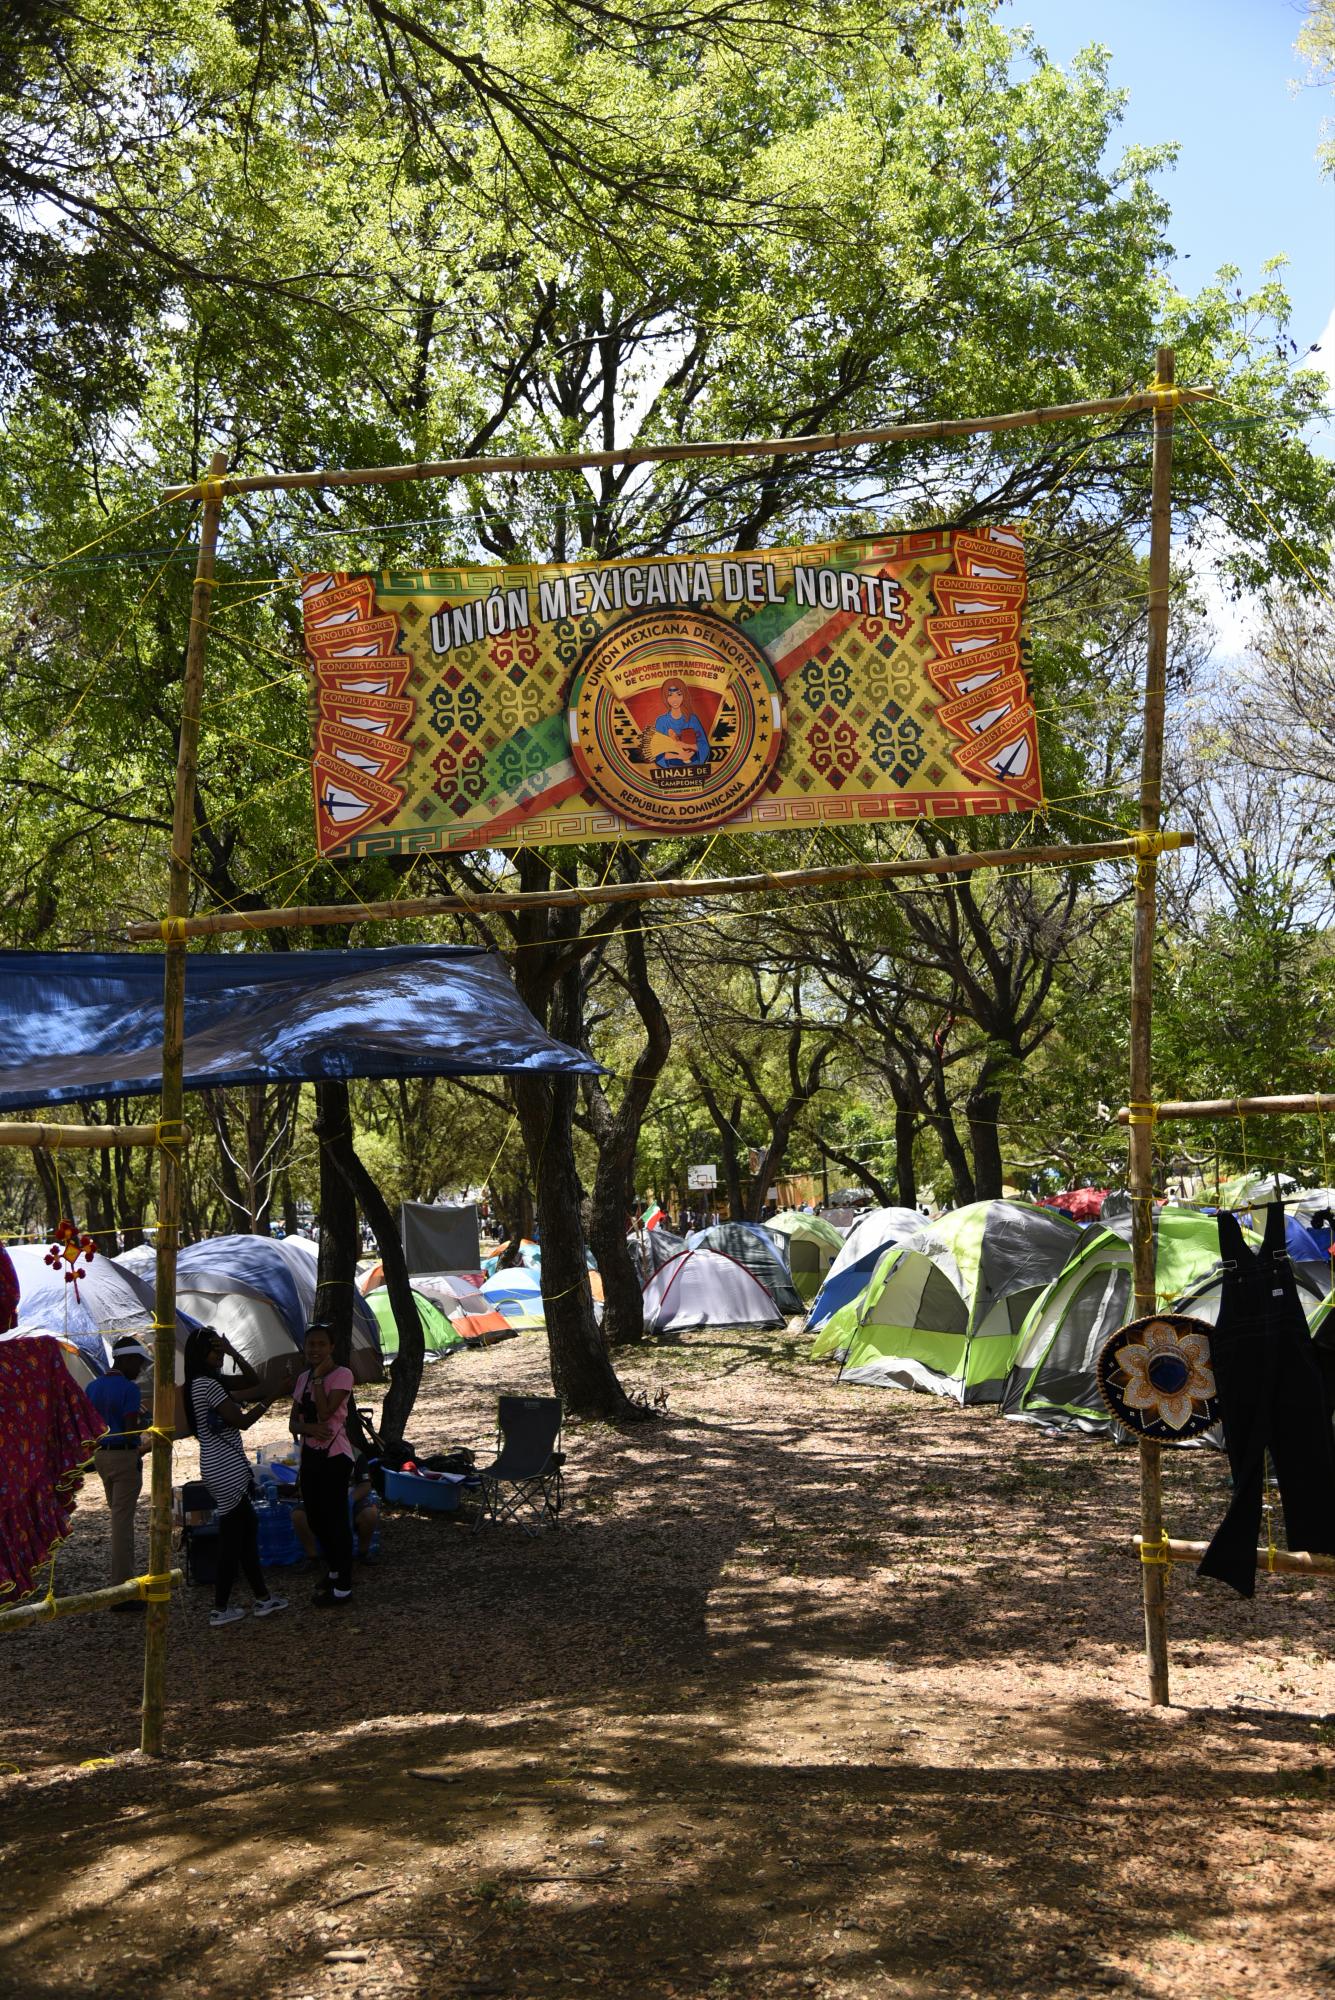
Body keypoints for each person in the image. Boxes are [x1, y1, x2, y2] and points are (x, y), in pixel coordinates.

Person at [183, 1325, 288, 1628]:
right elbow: (241, 1421)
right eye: (215, 1350)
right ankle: (220, 1608)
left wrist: (232, 1352)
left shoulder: (199, 1383)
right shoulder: (209, 1386)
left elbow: (252, 1380)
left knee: (244, 1532)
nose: (219, 1355)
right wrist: (273, 1397)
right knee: (233, 1540)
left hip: (218, 1465)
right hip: (225, 1466)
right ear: (202, 1354)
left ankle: (262, 1598)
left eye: (220, 1349)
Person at [290, 1322, 356, 1607]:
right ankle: (332, 1570)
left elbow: (326, 1411)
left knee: (336, 1519)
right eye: (310, 1344)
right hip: (311, 1457)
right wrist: (309, 1430)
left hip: (335, 1456)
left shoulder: (343, 1375)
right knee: (315, 1518)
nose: (314, 1349)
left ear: (331, 1348)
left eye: (320, 1344)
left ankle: (344, 1586)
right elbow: (293, 1422)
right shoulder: (302, 1378)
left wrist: (318, 1380)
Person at [84, 1334, 151, 1610]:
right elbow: (130, 1430)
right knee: (122, 1527)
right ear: (127, 1360)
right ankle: (122, 1592)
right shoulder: (129, 1390)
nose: (140, 1370)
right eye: (139, 1363)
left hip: (101, 1457)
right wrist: (145, 1443)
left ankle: (122, 1585)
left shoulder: (92, 1387)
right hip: (124, 1457)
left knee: (118, 1518)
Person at [291, 1457, 379, 1565]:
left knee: (370, 1514)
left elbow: (365, 1486)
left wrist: (349, 1500)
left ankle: (363, 1553)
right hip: (319, 1501)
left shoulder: (356, 1455)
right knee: (298, 1515)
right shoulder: (312, 1454)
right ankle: (312, 1557)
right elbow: (302, 1487)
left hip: (351, 1499)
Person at [646, 680, 710, 766]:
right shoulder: (661, 721)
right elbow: (657, 752)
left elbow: (703, 746)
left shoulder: (692, 719)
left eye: (679, 694)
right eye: (670, 695)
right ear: (665, 697)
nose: (674, 699)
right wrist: (679, 756)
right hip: (670, 769)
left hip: (694, 765)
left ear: (684, 696)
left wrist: (686, 746)